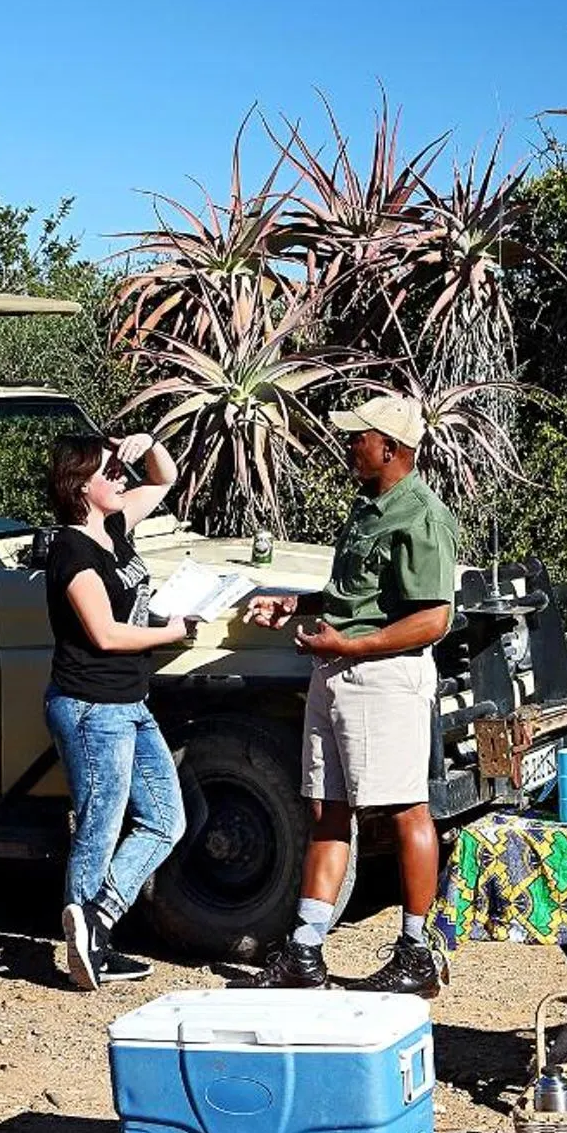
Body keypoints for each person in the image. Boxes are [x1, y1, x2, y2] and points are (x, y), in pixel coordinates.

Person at [236, 394, 459, 995]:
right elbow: (357, 595)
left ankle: (417, 951)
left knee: (405, 807)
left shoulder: (423, 517)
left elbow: (433, 619)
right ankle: (305, 951)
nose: (349, 443)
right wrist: (295, 604)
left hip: (382, 676)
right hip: (336, 672)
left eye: (358, 435)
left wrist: (354, 648)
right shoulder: (369, 508)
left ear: (390, 447)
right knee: (326, 809)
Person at [41, 430, 194, 991]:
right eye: (110, 472)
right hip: (90, 706)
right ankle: (85, 941)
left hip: (128, 701)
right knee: (100, 823)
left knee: (165, 819)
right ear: (82, 486)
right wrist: (171, 632)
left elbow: (164, 476)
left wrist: (145, 441)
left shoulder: (112, 527)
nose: (121, 478)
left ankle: (97, 921)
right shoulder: (71, 552)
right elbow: (103, 635)